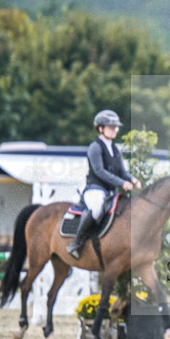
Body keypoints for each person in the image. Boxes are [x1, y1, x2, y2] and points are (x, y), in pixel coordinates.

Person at [67, 110, 141, 260]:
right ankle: (76, 242)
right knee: (96, 208)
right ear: (100, 128)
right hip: (95, 189)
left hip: (110, 192)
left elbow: (122, 171)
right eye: (111, 127)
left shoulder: (115, 148)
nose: (115, 130)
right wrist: (122, 183)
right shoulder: (95, 147)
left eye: (116, 127)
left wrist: (132, 180)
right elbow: (99, 171)